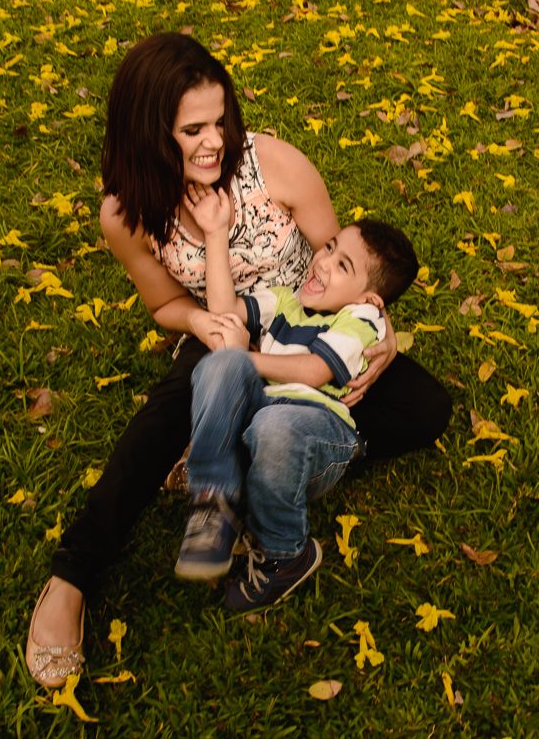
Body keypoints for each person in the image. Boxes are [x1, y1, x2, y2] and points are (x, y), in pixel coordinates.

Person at [25, 32, 452, 687]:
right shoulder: (125, 214)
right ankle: (71, 580)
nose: (213, 142)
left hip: (308, 324)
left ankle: (262, 457)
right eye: (192, 128)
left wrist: (382, 334)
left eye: (220, 121)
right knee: (162, 418)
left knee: (427, 406)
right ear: (148, 132)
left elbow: (341, 263)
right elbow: (166, 305)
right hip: (226, 326)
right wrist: (205, 323)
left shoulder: (275, 164)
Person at [175, 186, 419, 610]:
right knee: (218, 365)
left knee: (267, 414)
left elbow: (314, 371)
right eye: (328, 248)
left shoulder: (363, 319)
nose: (322, 262)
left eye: (341, 265)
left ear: (370, 298)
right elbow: (225, 313)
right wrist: (216, 233)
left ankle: (286, 554)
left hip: (316, 434)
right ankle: (212, 500)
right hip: (262, 420)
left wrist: (248, 357)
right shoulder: (286, 300)